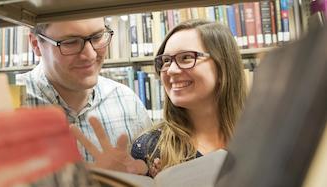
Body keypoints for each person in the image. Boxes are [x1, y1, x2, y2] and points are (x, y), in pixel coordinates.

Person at [70, 19, 247, 176]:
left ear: (223, 66)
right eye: (166, 61)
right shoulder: (150, 148)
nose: (171, 70)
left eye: (186, 58)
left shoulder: (263, 136)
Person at [17, 18, 152, 161]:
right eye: (71, 42)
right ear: (36, 44)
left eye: (97, 37)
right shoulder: (8, 103)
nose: (90, 55)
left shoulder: (127, 101)